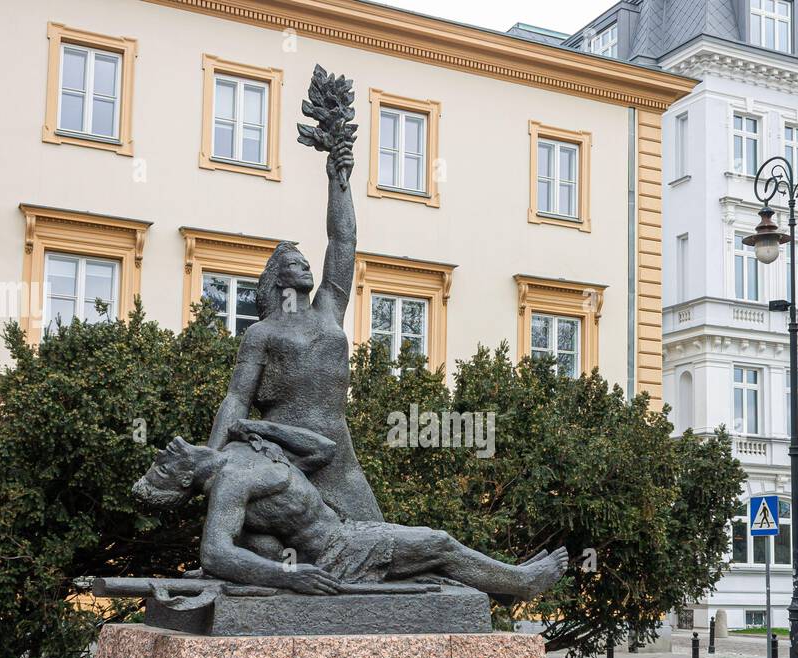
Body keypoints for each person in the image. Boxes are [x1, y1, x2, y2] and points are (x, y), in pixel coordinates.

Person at [133, 421, 568, 599]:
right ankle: (520, 583)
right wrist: (290, 576)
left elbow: (323, 449)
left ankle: (511, 575)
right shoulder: (228, 483)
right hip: (335, 554)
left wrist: (260, 426)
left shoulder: (238, 448)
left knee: (428, 551)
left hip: (350, 531)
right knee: (439, 544)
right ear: (184, 479)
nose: (165, 453)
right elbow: (215, 554)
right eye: (162, 468)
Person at [205, 141, 383, 521]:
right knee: (280, 541)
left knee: (375, 537)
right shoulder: (263, 334)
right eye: (293, 262)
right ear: (276, 279)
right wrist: (211, 458)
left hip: (337, 451)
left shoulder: (329, 308)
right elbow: (237, 398)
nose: (304, 265)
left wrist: (339, 182)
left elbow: (344, 241)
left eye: (305, 261)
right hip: (283, 451)